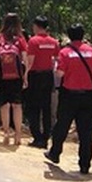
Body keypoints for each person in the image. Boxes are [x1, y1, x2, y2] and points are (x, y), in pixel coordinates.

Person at [45, 24, 92, 174]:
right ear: (83, 35)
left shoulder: (65, 52)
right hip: (88, 95)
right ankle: (85, 165)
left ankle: (55, 153)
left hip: (69, 95)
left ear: (69, 35)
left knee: (62, 125)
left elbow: (59, 74)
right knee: (85, 131)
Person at [24, 16, 59, 148]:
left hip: (35, 75)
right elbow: (56, 59)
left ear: (37, 26)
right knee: (46, 107)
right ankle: (45, 137)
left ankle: (37, 136)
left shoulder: (33, 41)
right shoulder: (54, 42)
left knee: (33, 107)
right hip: (48, 75)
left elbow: (30, 60)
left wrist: (26, 74)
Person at [0, 13, 27, 145]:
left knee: (4, 105)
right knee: (17, 105)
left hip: (2, 76)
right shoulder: (20, 39)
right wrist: (25, 76)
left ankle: (6, 133)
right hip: (17, 76)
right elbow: (24, 59)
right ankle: (18, 135)